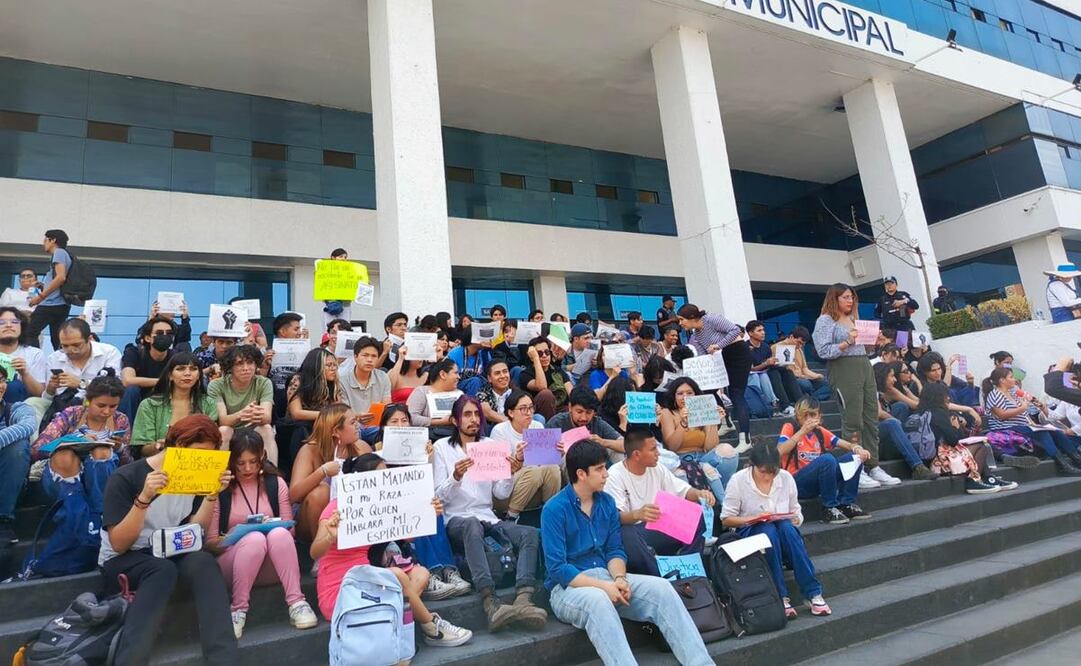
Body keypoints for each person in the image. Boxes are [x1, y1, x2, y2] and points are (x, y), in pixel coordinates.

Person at [542, 438, 713, 666]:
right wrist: (605, 587)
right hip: (569, 589)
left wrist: (620, 579)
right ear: (581, 474)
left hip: (608, 576)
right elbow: (558, 569)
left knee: (662, 588)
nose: (606, 474)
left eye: (605, 467)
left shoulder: (606, 503)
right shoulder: (554, 509)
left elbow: (614, 550)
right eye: (599, 469)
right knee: (598, 600)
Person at [99, 415, 237, 666]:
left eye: (209, 455)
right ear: (179, 447)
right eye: (199, 454)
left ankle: (224, 659)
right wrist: (144, 497)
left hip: (170, 550)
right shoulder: (126, 476)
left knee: (203, 562)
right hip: (124, 559)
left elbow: (197, 531)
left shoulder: (196, 476)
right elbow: (119, 543)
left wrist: (211, 495)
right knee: (161, 570)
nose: (202, 461)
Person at [311, 453, 473, 647]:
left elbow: (409, 537)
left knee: (421, 573)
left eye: (387, 475)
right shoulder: (336, 507)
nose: (386, 480)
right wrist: (329, 536)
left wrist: (429, 513)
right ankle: (431, 626)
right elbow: (314, 552)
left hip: (368, 574)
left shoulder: (383, 505)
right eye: (381, 476)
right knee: (397, 575)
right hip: (340, 586)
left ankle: (392, 618)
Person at [432, 395, 548, 631]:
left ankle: (524, 597)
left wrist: (510, 472)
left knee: (529, 533)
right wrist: (456, 476)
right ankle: (489, 601)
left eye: (477, 414)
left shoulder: (488, 445)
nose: (474, 419)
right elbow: (439, 498)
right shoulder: (442, 448)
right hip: (457, 519)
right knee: (471, 524)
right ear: (454, 420)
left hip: (488, 516)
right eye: (467, 414)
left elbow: (501, 493)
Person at [205, 429, 317, 638]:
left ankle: (297, 602)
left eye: (253, 462)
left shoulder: (275, 483)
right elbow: (210, 544)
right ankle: (238, 609)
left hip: (274, 564)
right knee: (254, 538)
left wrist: (271, 526)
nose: (248, 468)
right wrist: (235, 535)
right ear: (231, 461)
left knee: (279, 534)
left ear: (262, 457)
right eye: (241, 463)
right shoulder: (221, 488)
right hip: (235, 564)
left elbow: (289, 530)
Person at [373, 405, 473, 601]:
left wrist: (426, 459)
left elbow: (425, 486)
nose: (400, 426)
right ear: (384, 427)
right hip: (391, 513)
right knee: (418, 510)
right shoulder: (376, 455)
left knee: (433, 508)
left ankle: (449, 570)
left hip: (417, 503)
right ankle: (431, 574)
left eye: (404, 421)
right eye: (394, 421)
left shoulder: (420, 452)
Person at [721, 442, 830, 618]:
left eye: (773, 472)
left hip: (782, 529)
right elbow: (726, 519)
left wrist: (796, 518)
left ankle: (813, 592)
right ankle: (781, 595)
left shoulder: (786, 478)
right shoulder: (738, 480)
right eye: (763, 472)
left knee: (786, 528)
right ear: (752, 466)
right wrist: (754, 518)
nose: (768, 477)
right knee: (768, 531)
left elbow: (796, 510)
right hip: (750, 531)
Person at [813, 283, 900, 489]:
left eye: (851, 297)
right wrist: (846, 342)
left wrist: (871, 342)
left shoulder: (853, 318)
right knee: (852, 419)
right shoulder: (825, 320)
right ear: (834, 298)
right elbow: (823, 351)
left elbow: (863, 348)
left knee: (870, 416)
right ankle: (854, 467)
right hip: (843, 368)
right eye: (845, 297)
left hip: (863, 365)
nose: (850, 301)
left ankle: (873, 464)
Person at [604, 429, 714, 576]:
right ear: (636, 454)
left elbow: (683, 491)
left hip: (658, 525)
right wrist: (638, 514)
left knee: (695, 513)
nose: (658, 453)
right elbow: (615, 517)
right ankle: (659, 573)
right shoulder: (614, 475)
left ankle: (689, 568)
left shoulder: (657, 468)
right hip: (634, 532)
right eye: (653, 449)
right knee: (626, 533)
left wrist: (700, 494)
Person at [34, 376, 130, 513]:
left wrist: (119, 448)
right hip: (64, 474)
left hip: (103, 478)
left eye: (113, 406)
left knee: (102, 452)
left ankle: (101, 513)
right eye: (101, 405)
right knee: (65, 456)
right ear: (88, 401)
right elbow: (38, 448)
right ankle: (73, 513)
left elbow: (128, 463)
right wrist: (74, 439)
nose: (106, 411)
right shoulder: (71, 414)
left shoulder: (120, 420)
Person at [778, 397, 871, 524]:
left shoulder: (819, 431)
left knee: (854, 458)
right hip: (796, 482)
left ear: (819, 416)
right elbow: (780, 450)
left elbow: (844, 444)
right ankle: (829, 507)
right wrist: (802, 432)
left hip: (818, 481)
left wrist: (857, 449)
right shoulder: (790, 427)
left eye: (812, 415)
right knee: (827, 459)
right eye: (805, 415)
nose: (808, 419)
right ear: (798, 416)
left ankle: (846, 504)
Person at [289, 403, 372, 542]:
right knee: (321, 491)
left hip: (350, 510)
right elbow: (293, 496)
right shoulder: (309, 450)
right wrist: (322, 472)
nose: (358, 426)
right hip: (311, 517)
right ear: (336, 431)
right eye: (352, 422)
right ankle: (322, 549)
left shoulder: (361, 447)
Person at [677, 303, 752, 449]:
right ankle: (726, 422)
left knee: (736, 394)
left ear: (691, 317)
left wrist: (719, 345)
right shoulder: (695, 335)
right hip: (721, 358)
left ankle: (746, 439)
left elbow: (735, 330)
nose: (680, 323)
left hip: (738, 353)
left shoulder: (711, 318)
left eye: (681, 319)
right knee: (707, 390)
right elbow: (701, 354)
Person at [918, 383, 1016, 493]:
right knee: (981, 446)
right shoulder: (939, 414)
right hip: (941, 462)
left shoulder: (922, 412)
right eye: (946, 395)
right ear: (938, 397)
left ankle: (989, 478)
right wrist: (955, 427)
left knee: (978, 443)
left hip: (930, 459)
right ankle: (974, 481)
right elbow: (953, 441)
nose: (948, 398)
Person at [983, 367, 1081, 475]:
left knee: (1055, 431)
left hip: (1023, 425)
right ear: (1002, 380)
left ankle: (1077, 459)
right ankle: (1063, 465)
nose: (1015, 379)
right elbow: (1001, 415)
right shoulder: (995, 394)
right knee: (1042, 433)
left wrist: (1035, 407)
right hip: (1006, 427)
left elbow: (1024, 414)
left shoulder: (1013, 393)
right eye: (1011, 377)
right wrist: (1022, 408)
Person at [658, 378, 737, 502]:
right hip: (681, 459)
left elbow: (710, 447)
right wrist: (683, 423)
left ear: (696, 394)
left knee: (727, 450)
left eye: (689, 393)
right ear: (673, 396)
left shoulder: (701, 411)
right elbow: (672, 447)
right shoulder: (667, 413)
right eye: (680, 393)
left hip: (703, 456)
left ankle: (722, 493)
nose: (685, 397)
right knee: (705, 469)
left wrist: (713, 421)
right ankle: (721, 501)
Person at [489, 390, 561, 521]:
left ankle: (550, 514)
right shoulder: (500, 431)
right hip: (505, 491)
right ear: (511, 413)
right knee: (534, 469)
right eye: (523, 409)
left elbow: (544, 462)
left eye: (531, 408)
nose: (529, 412)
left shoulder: (537, 426)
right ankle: (511, 517)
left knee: (553, 467)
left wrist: (556, 453)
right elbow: (499, 473)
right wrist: (518, 459)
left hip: (533, 488)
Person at [131, 352, 218, 453]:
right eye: (180, 369)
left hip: (198, 459)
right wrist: (160, 446)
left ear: (199, 375)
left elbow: (212, 442)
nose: (187, 373)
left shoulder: (208, 403)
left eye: (193, 369)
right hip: (159, 459)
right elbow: (142, 449)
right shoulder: (149, 405)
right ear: (170, 375)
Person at [209, 345, 276, 464]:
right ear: (230, 367)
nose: (246, 368)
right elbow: (222, 420)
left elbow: (267, 417)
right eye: (239, 364)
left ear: (256, 365)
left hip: (254, 428)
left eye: (250, 363)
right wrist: (241, 414)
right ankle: (220, 472)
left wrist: (255, 414)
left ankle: (271, 472)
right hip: (231, 428)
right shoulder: (216, 385)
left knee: (267, 429)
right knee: (223, 430)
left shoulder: (264, 383)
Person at [44, 318, 123, 402]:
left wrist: (81, 383)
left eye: (76, 345)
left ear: (89, 339)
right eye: (65, 346)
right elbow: (46, 400)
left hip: (101, 405)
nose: (70, 350)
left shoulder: (109, 353)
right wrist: (50, 390)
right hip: (63, 406)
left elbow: (115, 388)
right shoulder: (54, 358)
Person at [0, 363, 36, 544]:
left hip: (7, 483)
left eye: (1, 380)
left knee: (18, 447)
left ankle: (3, 519)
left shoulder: (15, 409)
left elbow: (28, 425)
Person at [119, 316, 178, 421]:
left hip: (165, 396)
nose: (165, 336)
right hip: (138, 397)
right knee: (131, 390)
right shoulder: (134, 353)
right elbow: (127, 380)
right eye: (159, 333)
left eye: (169, 333)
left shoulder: (176, 356)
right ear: (148, 338)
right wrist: (163, 381)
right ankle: (125, 428)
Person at [546, 386, 624, 464]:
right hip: (565, 465)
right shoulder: (557, 422)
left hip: (593, 465)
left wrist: (603, 442)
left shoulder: (597, 423)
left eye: (588, 412)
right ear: (570, 407)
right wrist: (558, 452)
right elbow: (542, 453)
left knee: (616, 451)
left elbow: (625, 445)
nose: (583, 418)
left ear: (594, 412)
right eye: (579, 412)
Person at [26, 230, 73, 349]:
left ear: (53, 240)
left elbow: (61, 277)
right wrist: (43, 286)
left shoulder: (59, 252)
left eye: (45, 240)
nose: (43, 243)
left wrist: (40, 297)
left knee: (29, 332)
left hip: (51, 303)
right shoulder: (65, 254)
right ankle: (63, 358)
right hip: (61, 304)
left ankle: (34, 358)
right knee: (57, 339)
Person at [337, 336, 391, 432]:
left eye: (374, 356)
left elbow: (387, 406)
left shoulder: (383, 377)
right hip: (352, 428)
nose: (369, 360)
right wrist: (357, 417)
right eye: (365, 355)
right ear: (355, 357)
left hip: (378, 427)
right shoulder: (342, 381)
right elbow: (342, 413)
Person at [0, 306, 47, 404]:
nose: (8, 325)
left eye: (14, 322)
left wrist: (25, 374)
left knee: (13, 386)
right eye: (2, 322)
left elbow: (40, 394)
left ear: (22, 327)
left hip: (20, 405)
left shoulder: (34, 354)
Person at [519, 337, 573, 419]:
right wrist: (536, 359)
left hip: (558, 407)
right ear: (532, 356)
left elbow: (570, 391)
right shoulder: (525, 374)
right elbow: (542, 386)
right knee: (546, 394)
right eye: (539, 353)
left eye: (547, 352)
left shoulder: (557, 370)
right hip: (536, 412)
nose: (544, 356)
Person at [287, 348, 342, 428]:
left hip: (325, 426)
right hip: (301, 428)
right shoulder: (298, 380)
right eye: (329, 365)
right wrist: (328, 414)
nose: (333, 369)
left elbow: (337, 409)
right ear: (316, 366)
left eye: (335, 365)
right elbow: (296, 413)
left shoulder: (333, 383)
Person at [746, 320, 792, 416]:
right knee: (760, 376)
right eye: (759, 330)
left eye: (763, 330)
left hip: (766, 373)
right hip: (751, 375)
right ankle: (769, 402)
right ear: (750, 333)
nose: (763, 333)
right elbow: (750, 370)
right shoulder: (746, 347)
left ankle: (775, 403)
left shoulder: (766, 347)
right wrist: (766, 363)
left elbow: (769, 365)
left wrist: (779, 363)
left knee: (784, 372)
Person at [406, 358, 461, 438]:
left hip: (455, 438)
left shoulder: (460, 394)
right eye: (455, 373)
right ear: (443, 374)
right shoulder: (422, 392)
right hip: (428, 439)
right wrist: (440, 422)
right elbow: (411, 418)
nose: (458, 377)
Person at [779, 326, 831, 400]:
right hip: (792, 380)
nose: (800, 346)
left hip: (803, 378)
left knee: (827, 384)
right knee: (806, 384)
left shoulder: (799, 349)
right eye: (799, 342)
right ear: (791, 337)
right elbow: (789, 372)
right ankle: (812, 397)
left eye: (802, 344)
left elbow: (804, 369)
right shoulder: (783, 347)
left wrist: (816, 375)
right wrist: (807, 377)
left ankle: (810, 399)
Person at [321, 248, 353, 326]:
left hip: (345, 304)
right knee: (329, 326)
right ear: (333, 257)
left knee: (344, 327)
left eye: (345, 257)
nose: (343, 259)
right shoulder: (325, 270)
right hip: (329, 303)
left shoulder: (350, 271)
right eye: (341, 256)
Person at [477, 359, 514, 427]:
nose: (503, 376)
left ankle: (531, 435)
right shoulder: (483, 395)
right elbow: (487, 413)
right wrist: (513, 424)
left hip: (518, 431)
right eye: (497, 373)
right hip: (493, 430)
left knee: (535, 419)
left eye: (505, 371)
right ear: (489, 378)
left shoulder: (517, 393)